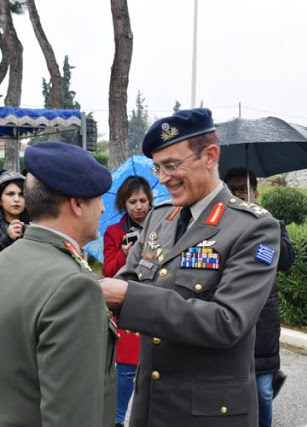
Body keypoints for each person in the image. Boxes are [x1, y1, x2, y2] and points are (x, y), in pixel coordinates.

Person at [100, 108, 281, 427]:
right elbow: (126, 282)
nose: (162, 178)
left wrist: (128, 297)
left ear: (210, 156)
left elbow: (228, 321)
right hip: (151, 407)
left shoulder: (253, 228)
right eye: (158, 168)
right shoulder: (159, 217)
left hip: (208, 414)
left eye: (171, 165)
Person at [0, 141, 117, 427]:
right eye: (99, 199)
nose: (102, 209)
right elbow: (72, 416)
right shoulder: (74, 287)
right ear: (77, 204)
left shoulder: (1, 263)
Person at [225, 168, 296, 427]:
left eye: (242, 189)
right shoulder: (218, 227)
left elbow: (285, 261)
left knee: (263, 391)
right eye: (231, 189)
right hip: (226, 314)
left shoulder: (272, 224)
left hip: (262, 318)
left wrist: (264, 236)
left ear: (255, 192)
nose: (237, 194)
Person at [102, 175, 153, 427]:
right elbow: (109, 272)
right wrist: (125, 256)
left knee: (156, 370)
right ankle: (117, 419)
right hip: (127, 305)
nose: (139, 206)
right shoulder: (114, 232)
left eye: (143, 200)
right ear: (124, 203)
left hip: (155, 302)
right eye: (132, 201)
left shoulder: (164, 226)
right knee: (126, 370)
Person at [0, 170, 31, 251]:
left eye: (21, 195)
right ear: (0, 200)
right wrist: (7, 239)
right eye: (10, 194)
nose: (16, 199)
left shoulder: (36, 222)